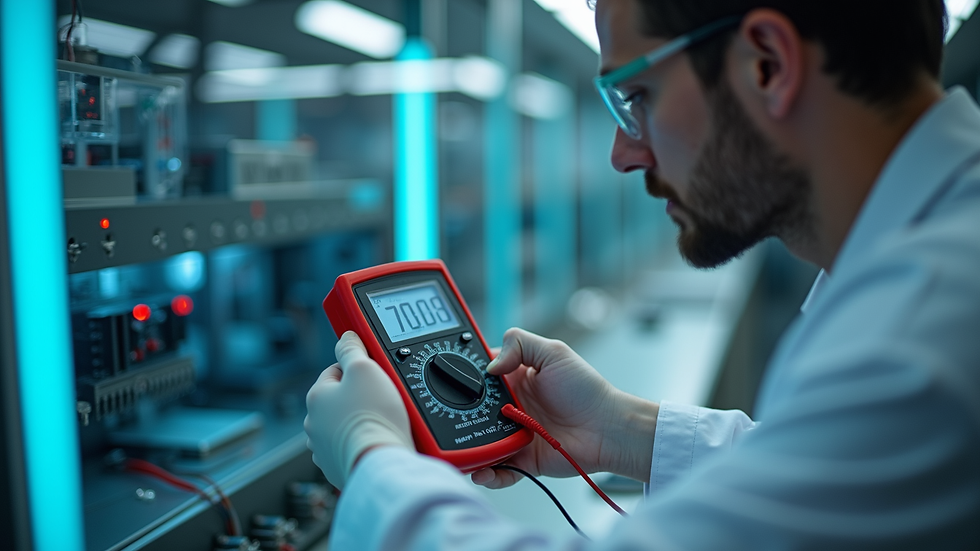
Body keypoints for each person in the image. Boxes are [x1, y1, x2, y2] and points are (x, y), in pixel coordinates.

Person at [304, 0, 980, 548]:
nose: (623, 154)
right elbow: (838, 481)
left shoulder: (927, 325)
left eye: (636, 95)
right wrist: (617, 428)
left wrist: (371, 457)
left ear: (767, 64)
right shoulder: (934, 255)